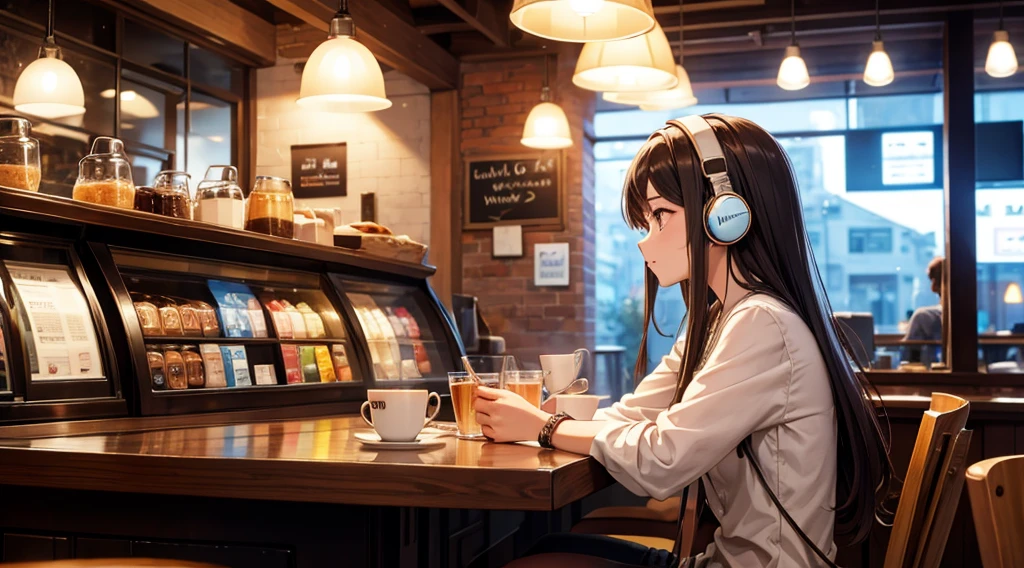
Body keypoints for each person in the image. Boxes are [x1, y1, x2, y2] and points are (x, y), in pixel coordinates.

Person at [473, 114, 892, 567]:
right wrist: (542, 416)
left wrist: (543, 427)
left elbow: (662, 458)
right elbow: (635, 412)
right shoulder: (716, 319)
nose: (645, 241)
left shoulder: (763, 323)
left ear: (726, 215)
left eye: (661, 216)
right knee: (541, 550)